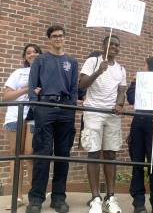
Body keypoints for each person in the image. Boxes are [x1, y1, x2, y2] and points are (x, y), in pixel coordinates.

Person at [26, 25, 78, 213]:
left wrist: (71, 108)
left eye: (61, 36)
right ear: (49, 39)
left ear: (65, 38)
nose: (58, 39)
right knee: (42, 154)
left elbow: (74, 89)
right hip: (45, 108)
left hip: (65, 109)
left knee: (63, 155)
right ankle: (36, 199)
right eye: (54, 36)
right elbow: (33, 86)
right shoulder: (40, 60)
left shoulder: (72, 62)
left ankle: (58, 198)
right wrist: (36, 106)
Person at [79, 35, 127, 213]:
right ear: (103, 45)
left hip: (112, 115)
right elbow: (82, 84)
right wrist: (99, 71)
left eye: (117, 45)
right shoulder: (92, 61)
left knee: (111, 154)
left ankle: (111, 197)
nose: (115, 47)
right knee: (93, 153)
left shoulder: (121, 69)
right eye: (111, 44)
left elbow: (121, 91)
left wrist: (119, 104)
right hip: (93, 112)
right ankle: (95, 198)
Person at [3, 44, 42, 210]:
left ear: (40, 55)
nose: (32, 54)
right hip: (15, 117)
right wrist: (27, 89)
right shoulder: (18, 73)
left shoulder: (44, 73)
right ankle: (17, 196)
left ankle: (33, 197)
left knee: (29, 154)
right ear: (25, 57)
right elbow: (6, 96)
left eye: (35, 52)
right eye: (28, 52)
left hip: (34, 117)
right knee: (15, 155)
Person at [127, 57, 153, 213]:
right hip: (139, 124)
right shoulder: (138, 81)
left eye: (144, 65)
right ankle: (138, 202)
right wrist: (134, 83)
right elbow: (131, 99)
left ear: (152, 67)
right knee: (137, 164)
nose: (142, 67)